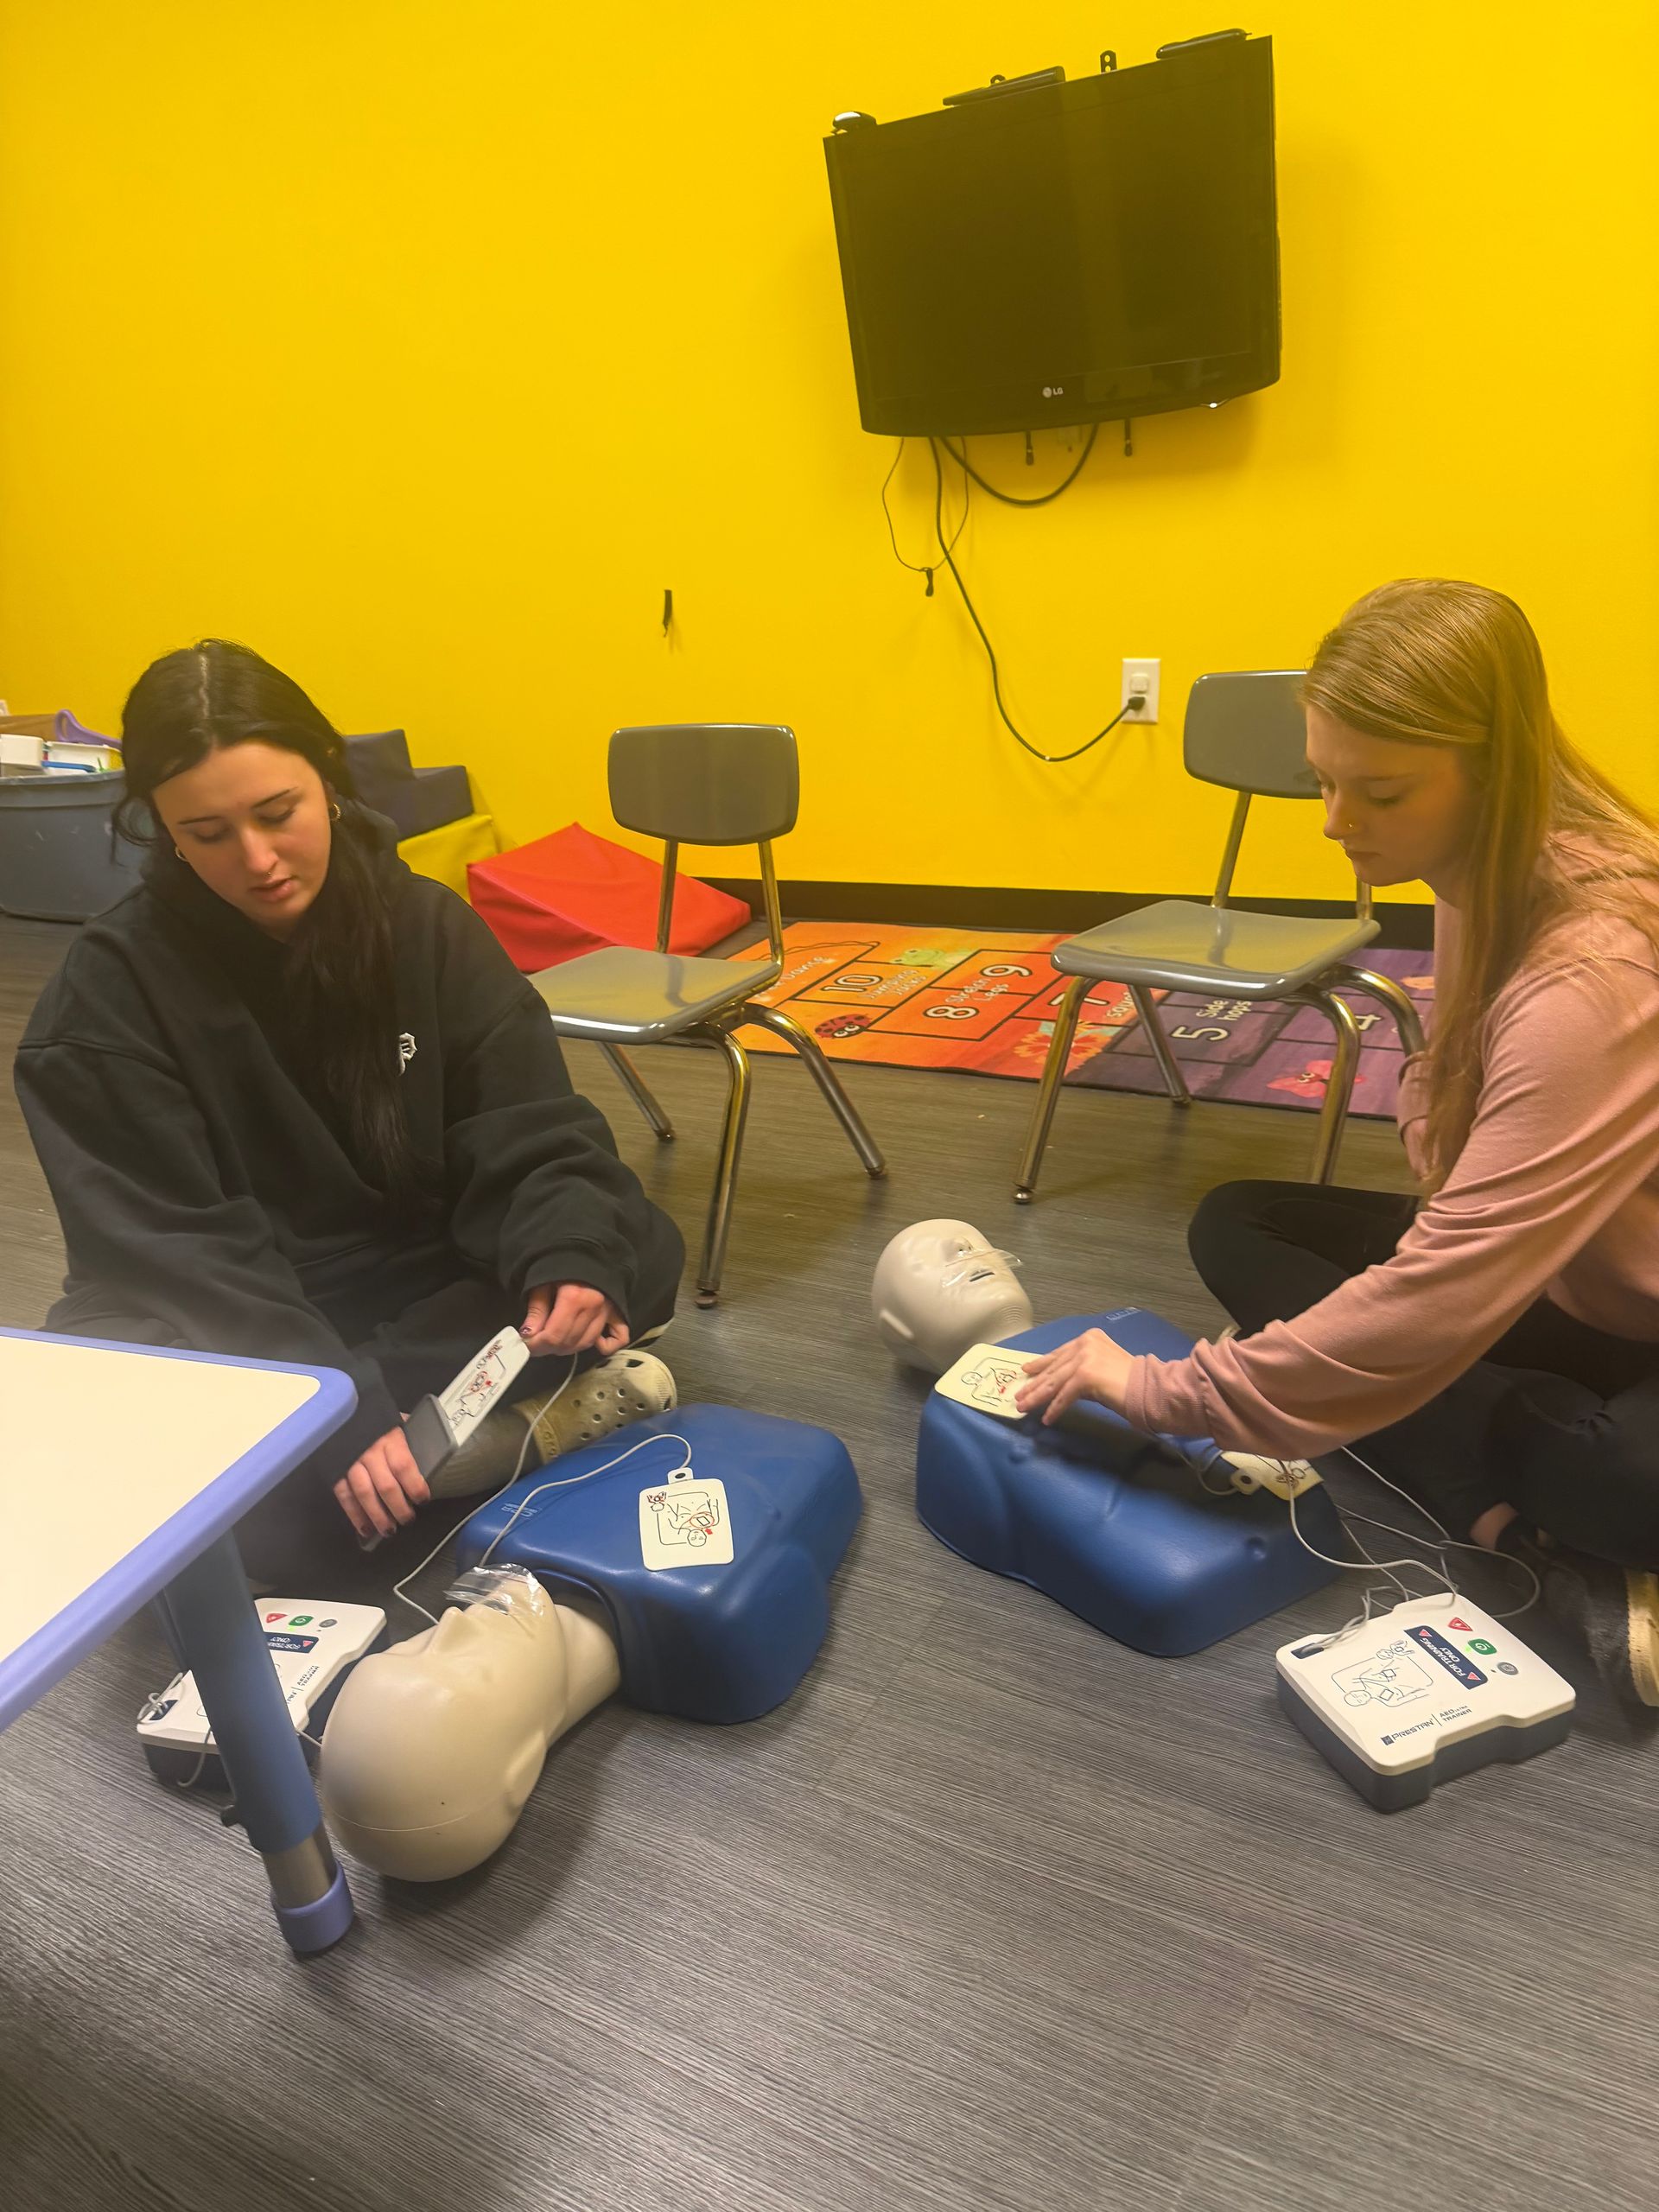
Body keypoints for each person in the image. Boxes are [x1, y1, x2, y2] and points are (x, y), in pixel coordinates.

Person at [1017, 579, 1659, 1707]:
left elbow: (1443, 1277)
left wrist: (1170, 1393)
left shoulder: (1591, 979)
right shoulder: (1473, 865)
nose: (1332, 822)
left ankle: (1547, 1520)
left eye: (1379, 791)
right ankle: (1512, 1516)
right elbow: (1442, 1160)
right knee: (1241, 1224)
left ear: (1493, 771)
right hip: (1564, 1271)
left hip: (1637, 1311)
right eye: (1324, 780)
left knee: (1615, 1476)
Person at [15, 639, 684, 1586]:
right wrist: (332, 1402)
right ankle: (500, 1436)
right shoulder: (105, 1002)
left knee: (623, 1246)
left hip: (414, 1276)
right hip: (245, 1310)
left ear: (327, 781)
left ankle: (423, 1451)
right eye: (205, 834)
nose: (257, 860)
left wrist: (565, 1258)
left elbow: (531, 1121)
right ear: (159, 828)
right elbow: (178, 1252)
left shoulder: (426, 925)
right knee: (130, 1433)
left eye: (277, 814)